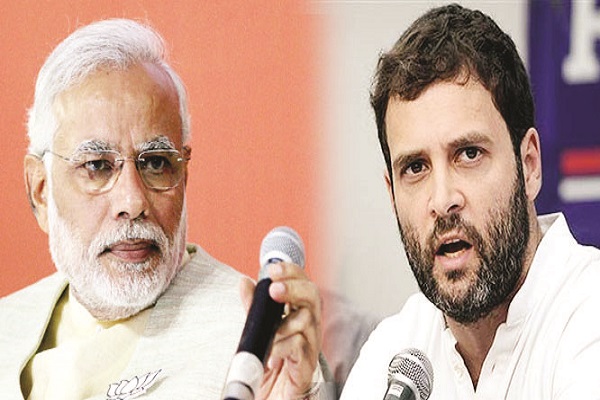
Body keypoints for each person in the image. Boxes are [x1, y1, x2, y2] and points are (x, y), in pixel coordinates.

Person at [0, 18, 330, 400]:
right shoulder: (8, 325)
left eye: (156, 163)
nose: (133, 201)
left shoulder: (259, 344)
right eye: (97, 166)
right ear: (41, 191)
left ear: (184, 176)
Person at [341, 4, 600, 399]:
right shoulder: (390, 353)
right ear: (392, 195)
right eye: (415, 167)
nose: (443, 200)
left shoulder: (589, 309)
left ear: (529, 165)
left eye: (468, 154)